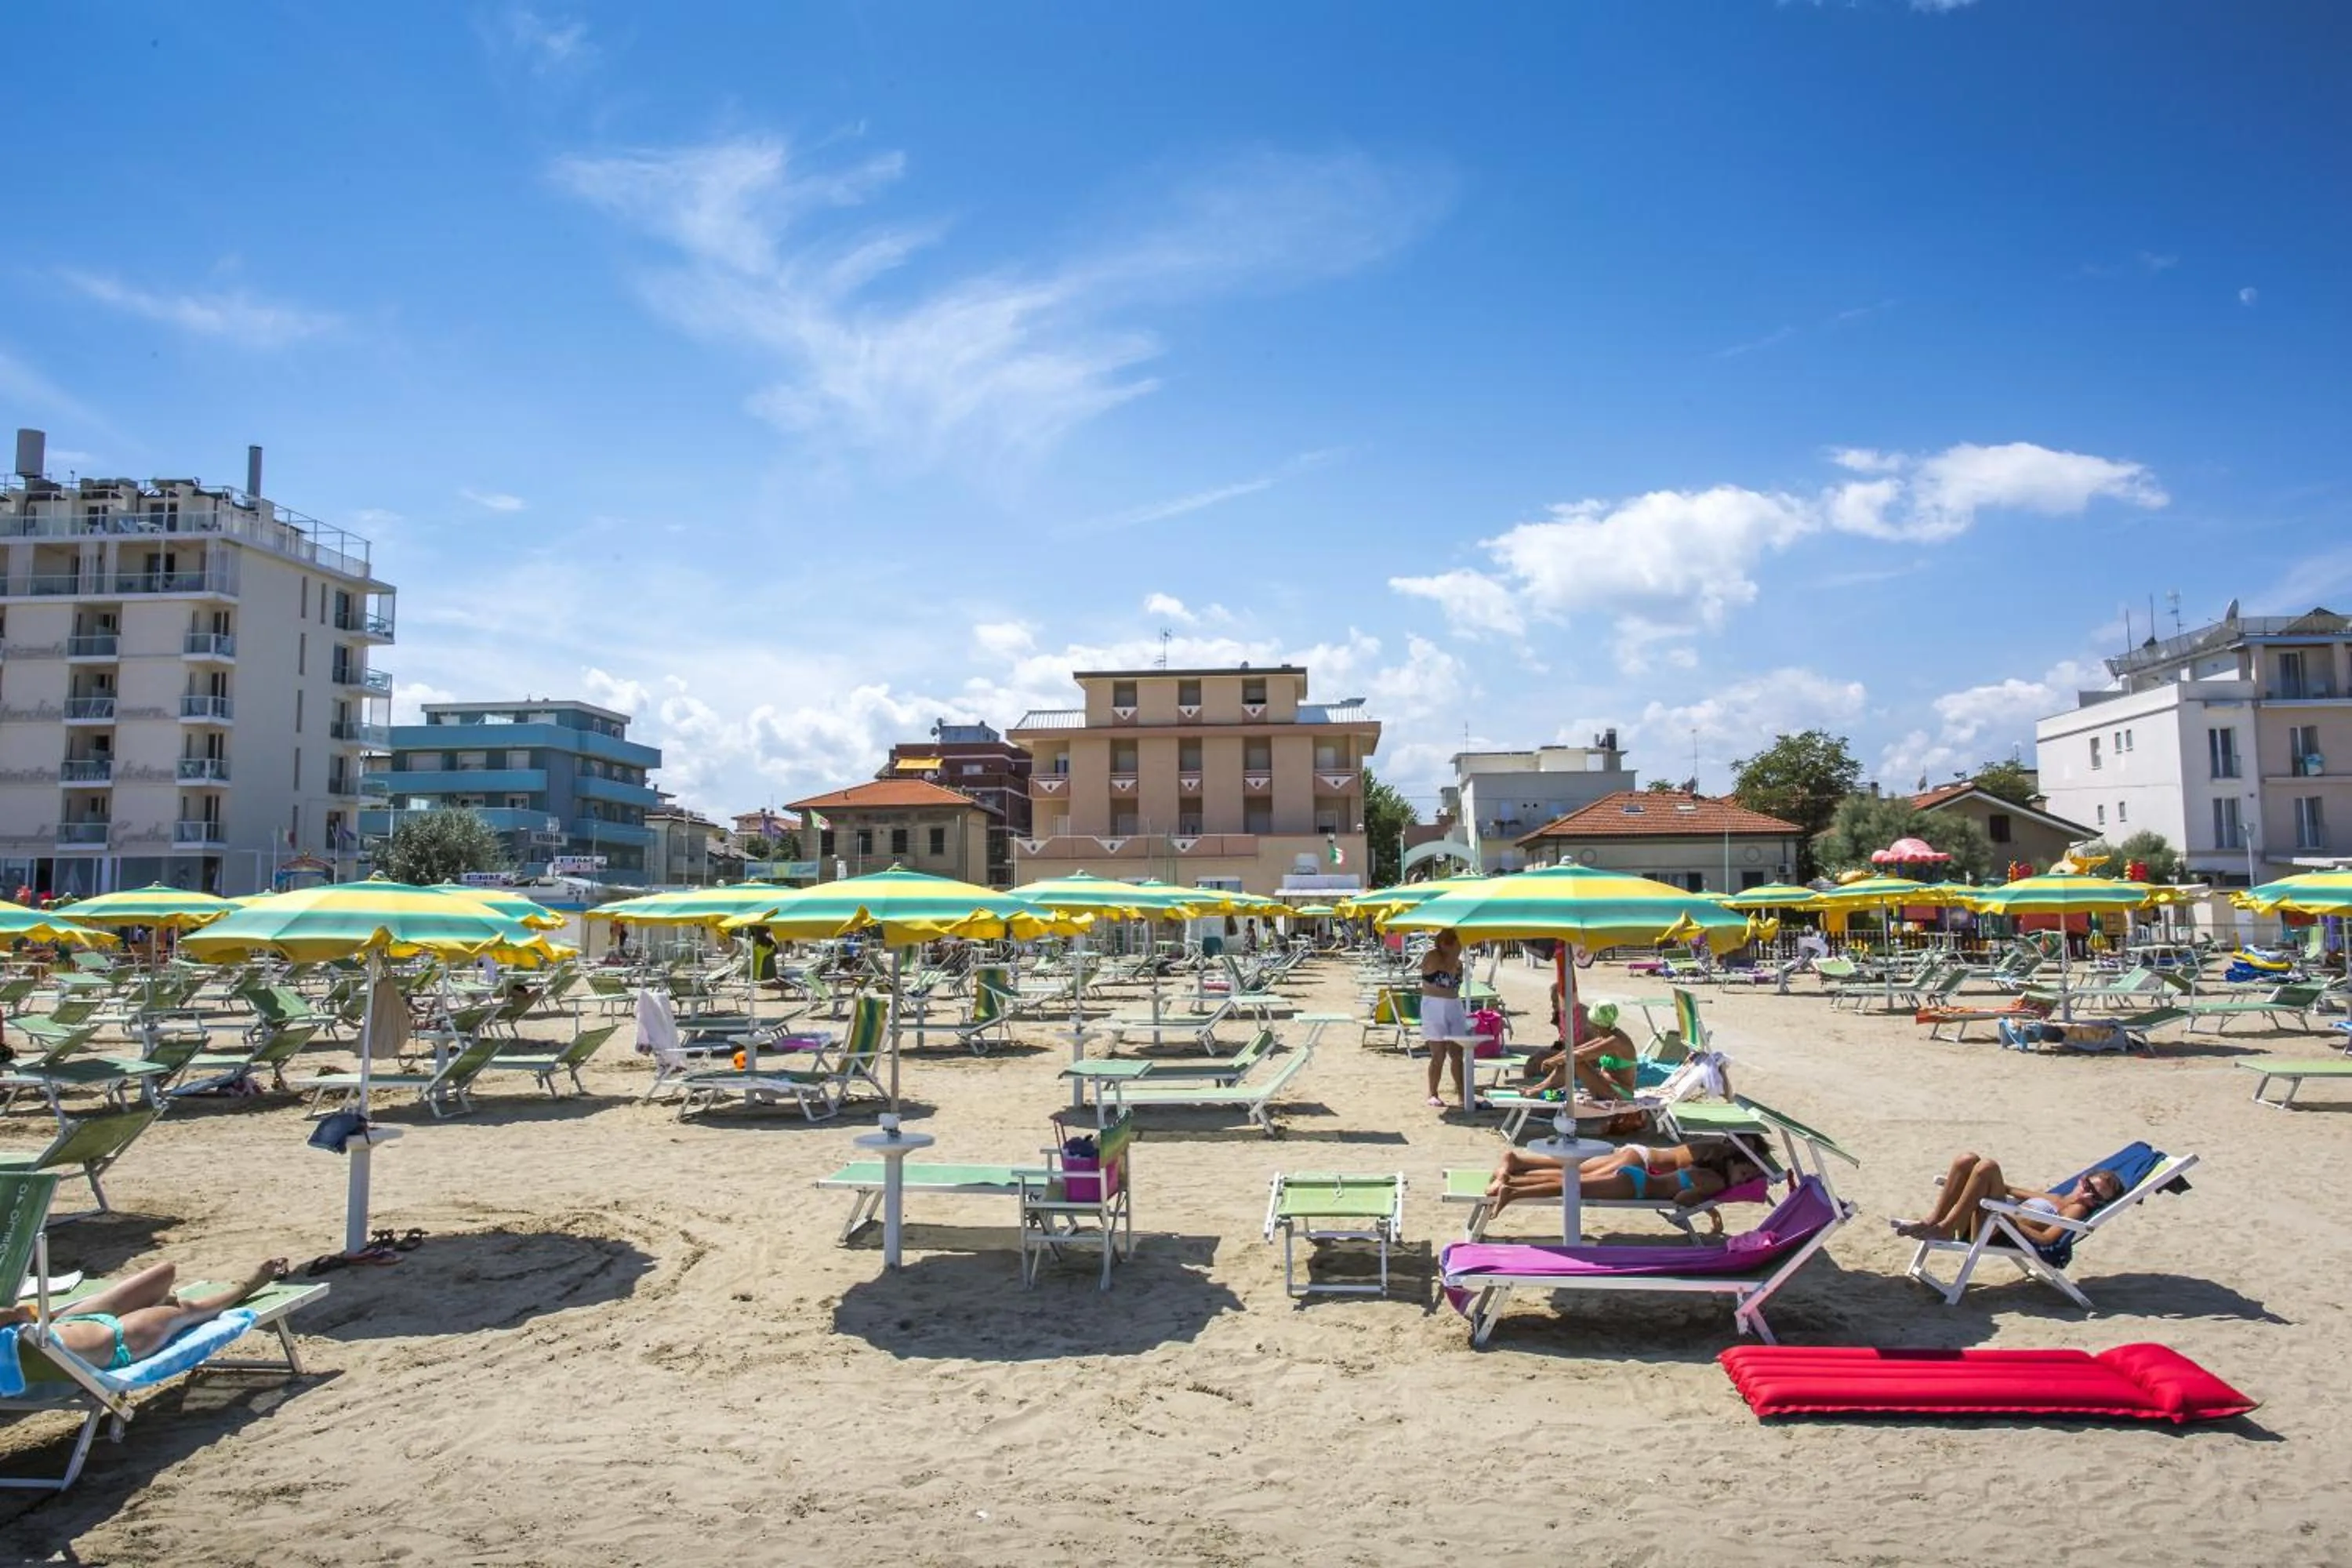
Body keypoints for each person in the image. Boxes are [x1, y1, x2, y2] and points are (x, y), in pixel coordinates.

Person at [4, 1257, 289, 1369]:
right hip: (117, 1340)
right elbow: (19, 1314)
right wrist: (22, 1314)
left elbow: (21, 1314)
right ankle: (246, 1287)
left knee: (165, 1272)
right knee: (187, 1310)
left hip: (69, 1324)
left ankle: (154, 1304)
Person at [1483, 1141, 1766, 1218]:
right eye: (1744, 1174)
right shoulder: (1715, 1171)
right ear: (1733, 1157)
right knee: (1573, 1184)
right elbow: (1682, 1198)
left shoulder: (1707, 1162)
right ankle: (1513, 1189)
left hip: (1639, 1170)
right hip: (1639, 1179)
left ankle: (1515, 1176)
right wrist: (1707, 1200)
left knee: (1575, 1177)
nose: (1742, 1182)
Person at [1892, 1153, 2125, 1244]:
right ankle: (1934, 1221)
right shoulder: (2055, 1197)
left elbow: (2046, 1240)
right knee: (1967, 1160)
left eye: (2095, 1197)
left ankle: (1944, 1228)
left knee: (1988, 1166)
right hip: (1985, 1219)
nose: (2086, 1195)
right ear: (2082, 1179)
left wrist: (2009, 1222)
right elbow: (2010, 1189)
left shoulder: (2076, 1211)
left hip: (1995, 1231)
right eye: (2088, 1187)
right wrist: (1964, 1180)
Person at [1528, 993, 1639, 1100]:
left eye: (1592, 1023)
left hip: (1620, 1093)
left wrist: (1553, 1062)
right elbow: (1575, 1050)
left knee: (1574, 1060)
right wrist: (1552, 1060)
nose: (1590, 1026)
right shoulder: (1606, 1036)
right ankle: (1539, 1087)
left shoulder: (1616, 1041)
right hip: (1605, 1084)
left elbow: (1580, 1055)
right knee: (1569, 1057)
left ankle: (1540, 1090)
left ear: (1598, 1024)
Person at [1421, 929, 1470, 1109]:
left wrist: (1456, 954)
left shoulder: (1458, 963)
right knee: (1438, 1054)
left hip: (1454, 1005)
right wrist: (1455, 951)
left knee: (1457, 1054)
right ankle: (1433, 1093)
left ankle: (1462, 1094)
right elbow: (1446, 968)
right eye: (1453, 942)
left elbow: (1454, 984)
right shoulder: (1432, 957)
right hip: (1433, 1006)